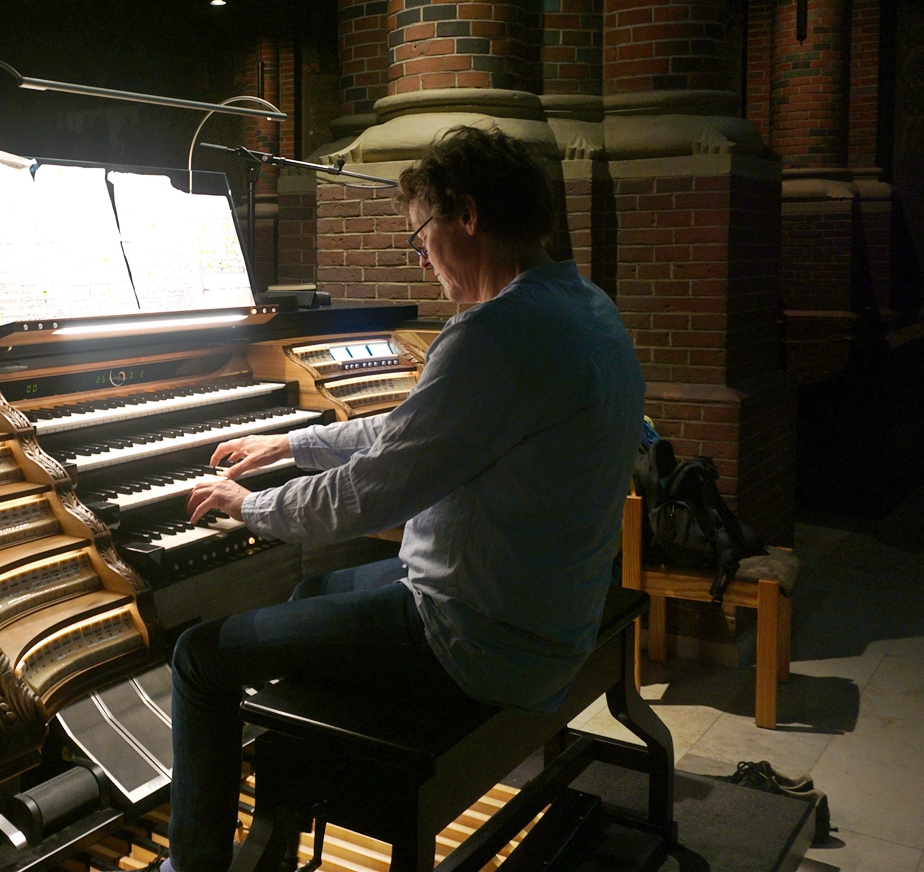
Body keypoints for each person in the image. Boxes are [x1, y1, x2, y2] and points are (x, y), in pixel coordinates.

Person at [165, 125, 646, 872]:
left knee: (199, 656)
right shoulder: (585, 308)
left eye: (421, 238)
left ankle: (192, 864)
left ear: (469, 215)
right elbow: (410, 430)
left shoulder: (494, 334)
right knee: (313, 588)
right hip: (543, 606)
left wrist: (246, 504)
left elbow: (368, 494)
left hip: (478, 637)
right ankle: (287, 808)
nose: (421, 262)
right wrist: (290, 445)